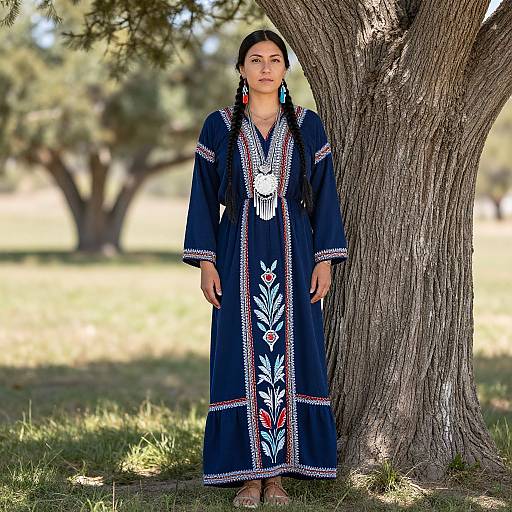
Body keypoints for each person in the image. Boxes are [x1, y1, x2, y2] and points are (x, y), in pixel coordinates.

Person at [182, 28, 348, 508]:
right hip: (236, 257)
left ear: (284, 69)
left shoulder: (306, 125)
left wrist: (325, 259)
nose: (265, 67)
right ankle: (247, 476)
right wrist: (205, 262)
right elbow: (201, 198)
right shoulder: (218, 126)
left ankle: (278, 476)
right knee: (238, 355)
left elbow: (326, 198)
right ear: (241, 70)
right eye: (255, 59)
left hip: (295, 257)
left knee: (294, 357)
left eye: (275, 59)